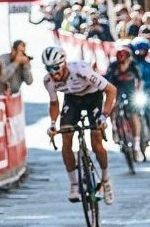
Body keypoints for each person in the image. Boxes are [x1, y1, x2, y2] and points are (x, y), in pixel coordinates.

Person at [42, 46, 117, 204]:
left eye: (56, 68)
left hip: (93, 97)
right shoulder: (48, 81)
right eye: (49, 69)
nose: (53, 73)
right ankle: (74, 184)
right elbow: (54, 103)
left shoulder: (82, 71)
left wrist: (104, 117)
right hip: (72, 100)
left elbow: (111, 90)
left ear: (64, 64)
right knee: (66, 138)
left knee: (96, 142)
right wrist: (53, 124)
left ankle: (106, 181)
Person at [105, 45, 144, 161]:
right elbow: (107, 82)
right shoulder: (112, 66)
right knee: (112, 105)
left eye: (124, 63)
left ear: (128, 59)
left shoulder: (134, 65)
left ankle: (137, 145)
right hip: (117, 89)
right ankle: (114, 127)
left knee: (133, 114)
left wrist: (139, 93)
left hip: (131, 91)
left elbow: (140, 81)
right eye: (120, 63)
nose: (122, 66)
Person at [131, 37, 150, 138]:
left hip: (144, 93)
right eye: (139, 50)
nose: (141, 52)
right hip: (130, 94)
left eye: (143, 50)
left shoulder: (148, 66)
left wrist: (146, 84)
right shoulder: (130, 65)